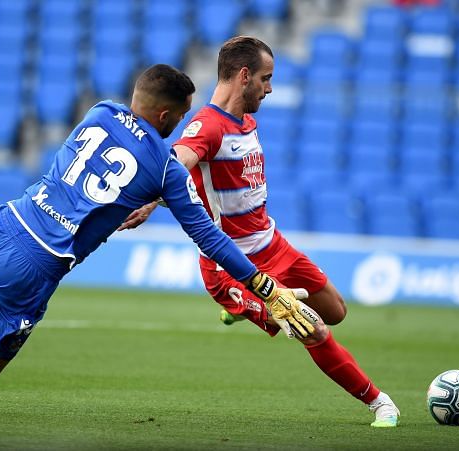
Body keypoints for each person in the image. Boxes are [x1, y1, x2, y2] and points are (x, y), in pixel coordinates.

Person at [0, 64, 318, 411]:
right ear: (165, 115)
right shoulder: (163, 167)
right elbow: (209, 236)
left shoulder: (99, 111)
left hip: (2, 226)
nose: (178, 125)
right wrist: (265, 287)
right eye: (179, 118)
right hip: (36, 260)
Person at [118, 37, 401, 427]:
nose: (270, 88)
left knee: (335, 311)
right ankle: (381, 403)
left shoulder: (247, 122)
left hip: (273, 243)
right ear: (244, 76)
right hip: (233, 265)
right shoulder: (206, 126)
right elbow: (178, 162)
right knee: (312, 330)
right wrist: (151, 200)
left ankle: (239, 310)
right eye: (266, 79)